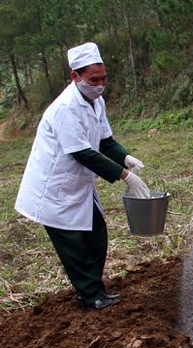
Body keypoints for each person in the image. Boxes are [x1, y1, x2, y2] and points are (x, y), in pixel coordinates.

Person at [14, 42, 151, 310]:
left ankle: (93, 290)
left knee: (96, 234)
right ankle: (90, 295)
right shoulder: (65, 108)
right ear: (75, 77)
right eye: (93, 79)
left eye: (103, 78)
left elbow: (105, 142)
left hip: (77, 185)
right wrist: (125, 176)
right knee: (73, 245)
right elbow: (83, 154)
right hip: (54, 189)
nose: (100, 85)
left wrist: (125, 157)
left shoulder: (95, 102)